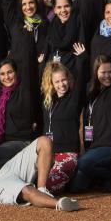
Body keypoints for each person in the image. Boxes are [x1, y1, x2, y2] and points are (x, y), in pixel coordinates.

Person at [70, 41, 111, 193]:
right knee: (76, 187)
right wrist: (82, 60)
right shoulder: (90, 92)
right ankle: (106, 177)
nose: (107, 76)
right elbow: (77, 89)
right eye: (103, 72)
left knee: (84, 163)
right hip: (95, 149)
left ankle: (110, 175)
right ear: (96, 73)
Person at [0, 135, 80, 211]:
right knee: (27, 190)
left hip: (7, 165)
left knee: (44, 141)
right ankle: (59, 204)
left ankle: (42, 189)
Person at [39, 57, 86, 194]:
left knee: (46, 186)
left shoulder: (74, 98)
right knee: (31, 180)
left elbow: (82, 79)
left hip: (68, 153)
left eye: (63, 80)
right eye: (57, 82)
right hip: (48, 154)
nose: (61, 84)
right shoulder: (48, 101)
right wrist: (41, 63)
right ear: (52, 84)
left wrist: (81, 59)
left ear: (69, 79)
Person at [0, 59, 37, 161]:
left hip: (20, 141)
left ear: (16, 72)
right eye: (2, 74)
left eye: (10, 72)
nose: (6, 77)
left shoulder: (24, 91)